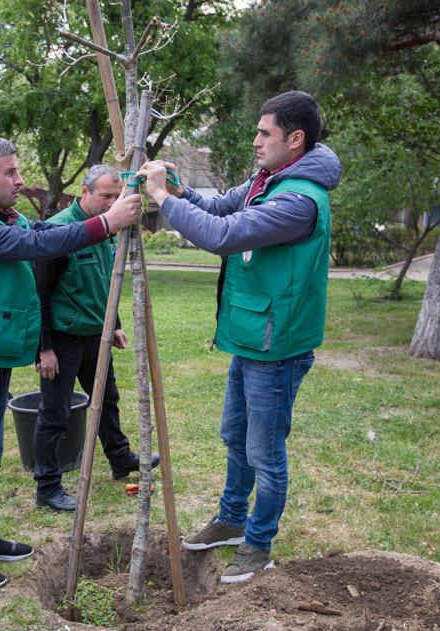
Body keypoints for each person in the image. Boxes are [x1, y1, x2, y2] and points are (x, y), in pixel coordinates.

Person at [139, 90, 342, 584]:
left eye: (264, 133)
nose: (255, 141)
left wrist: (162, 198)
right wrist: (180, 188)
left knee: (265, 453)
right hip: (254, 335)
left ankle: (258, 543)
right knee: (235, 436)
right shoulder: (267, 180)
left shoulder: (298, 199)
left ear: (296, 139)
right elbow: (218, 206)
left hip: (278, 347)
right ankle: (231, 520)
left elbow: (223, 235)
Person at [0, 136, 143, 590]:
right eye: (10, 172)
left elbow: (45, 233)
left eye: (18, 170)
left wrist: (98, 219)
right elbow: (35, 245)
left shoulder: (6, 216)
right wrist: (105, 222)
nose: (19, 179)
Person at [31, 164, 159, 512]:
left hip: (96, 337)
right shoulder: (59, 232)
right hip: (62, 340)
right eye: (106, 196)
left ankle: (120, 458)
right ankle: (47, 486)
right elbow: (39, 294)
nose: (113, 203)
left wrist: (114, 323)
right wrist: (44, 349)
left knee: (107, 399)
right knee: (55, 414)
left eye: (117, 196)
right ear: (84, 193)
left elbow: (105, 281)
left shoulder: (107, 228)